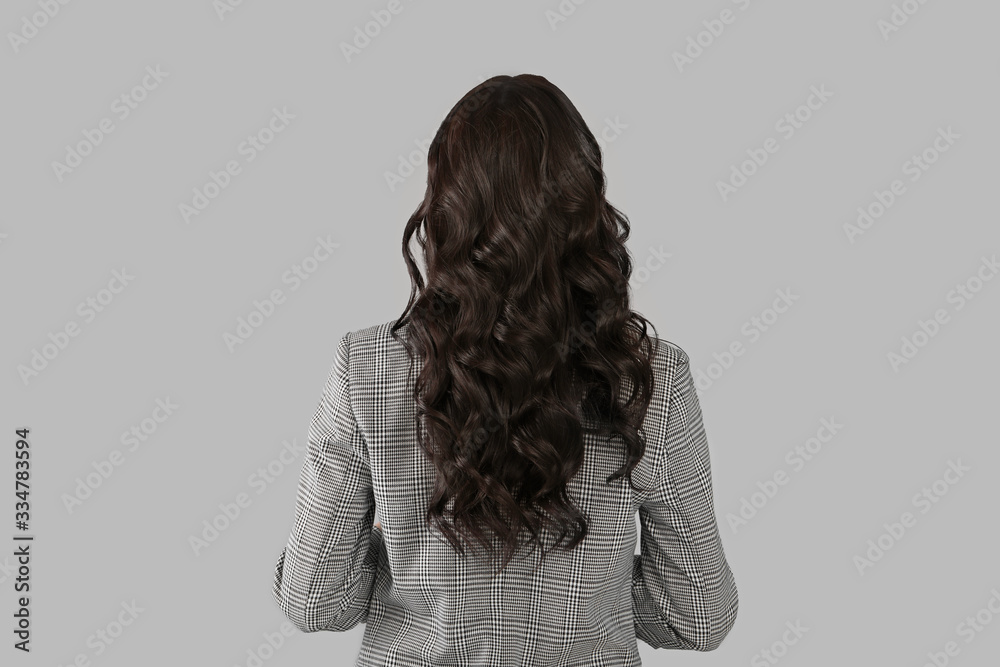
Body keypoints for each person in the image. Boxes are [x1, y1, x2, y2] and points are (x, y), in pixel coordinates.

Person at [271, 73, 738, 666]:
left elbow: (316, 601)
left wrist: (405, 581)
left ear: (443, 208)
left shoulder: (369, 367)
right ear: (585, 205)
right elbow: (700, 615)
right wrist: (606, 601)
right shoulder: (650, 378)